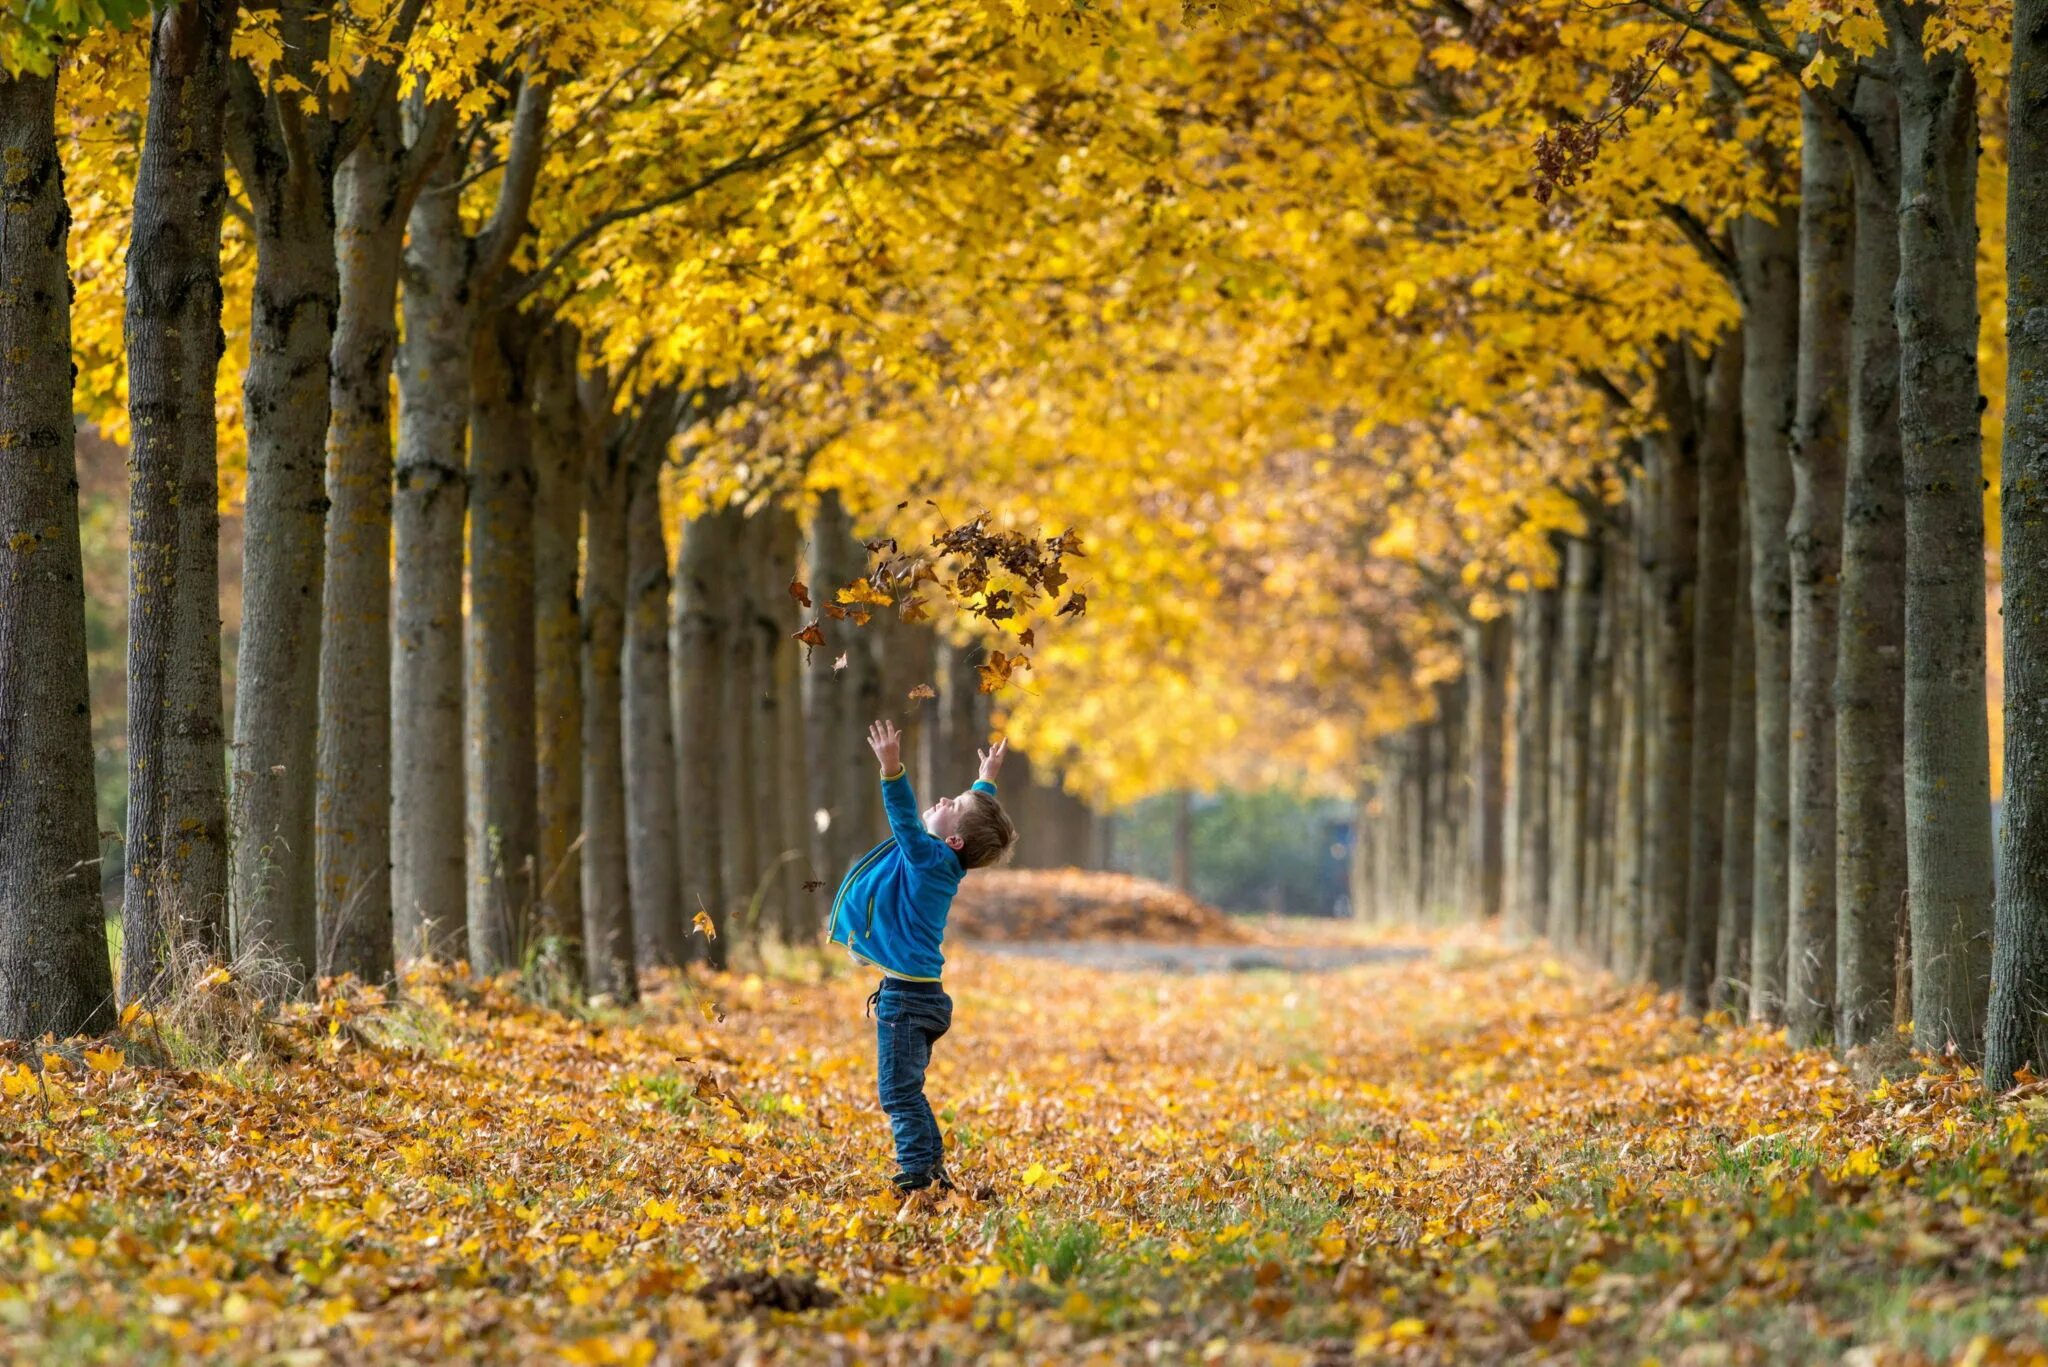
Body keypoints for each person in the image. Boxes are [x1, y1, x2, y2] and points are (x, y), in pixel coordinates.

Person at [828, 719, 1017, 1193]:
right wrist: (984, 781)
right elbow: (969, 823)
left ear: (951, 840)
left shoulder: (929, 858)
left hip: (907, 1003)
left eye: (949, 805)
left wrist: (891, 769)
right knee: (907, 1092)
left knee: (897, 1094)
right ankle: (932, 1173)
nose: (942, 801)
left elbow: (907, 822)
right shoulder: (945, 863)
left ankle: (917, 1176)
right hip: (920, 997)